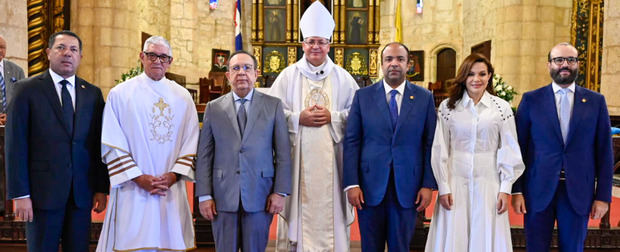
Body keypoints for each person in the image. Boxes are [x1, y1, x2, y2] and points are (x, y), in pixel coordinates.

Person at [6, 30, 108, 252]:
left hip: (80, 195)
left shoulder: (92, 94)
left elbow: (98, 144)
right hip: (41, 195)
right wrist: (20, 194)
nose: (67, 54)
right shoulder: (26, 90)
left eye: (73, 49)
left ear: (80, 56)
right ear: (48, 53)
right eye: (61, 48)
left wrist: (101, 188)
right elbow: (15, 145)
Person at [269, 2, 359, 251]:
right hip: (298, 161)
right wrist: (298, 118)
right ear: (303, 45)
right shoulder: (288, 76)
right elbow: (272, 115)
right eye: (311, 42)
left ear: (329, 45)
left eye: (321, 41)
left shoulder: (343, 78)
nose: (316, 47)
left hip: (334, 163)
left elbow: (359, 116)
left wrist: (334, 117)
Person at [96, 36, 198, 252]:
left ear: (170, 61)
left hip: (170, 187)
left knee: (169, 240)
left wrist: (173, 175)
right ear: (141, 57)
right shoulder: (120, 94)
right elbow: (112, 142)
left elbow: (191, 140)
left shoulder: (183, 97)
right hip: (133, 188)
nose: (157, 61)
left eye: (163, 57)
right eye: (152, 55)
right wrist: (138, 177)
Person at [511, 42, 614, 251]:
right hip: (537, 190)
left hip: (577, 191)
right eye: (559, 60)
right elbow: (518, 149)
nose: (564, 65)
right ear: (549, 65)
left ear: (577, 65)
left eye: (571, 60)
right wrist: (517, 190)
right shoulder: (531, 100)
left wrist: (603, 197)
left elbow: (604, 153)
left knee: (573, 248)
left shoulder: (596, 101)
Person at [424, 53, 525, 252]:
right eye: (470, 74)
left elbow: (509, 149)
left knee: (487, 234)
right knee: (454, 234)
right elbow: (440, 148)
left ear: (489, 76)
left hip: (489, 182)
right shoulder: (448, 107)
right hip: (455, 181)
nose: (476, 79)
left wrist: (505, 188)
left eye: (482, 74)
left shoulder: (501, 108)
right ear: (463, 77)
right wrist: (443, 186)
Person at [343, 42, 437, 252]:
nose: (394, 64)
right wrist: (352, 183)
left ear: (408, 64)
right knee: (370, 247)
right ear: (381, 64)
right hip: (369, 186)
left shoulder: (424, 98)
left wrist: (428, 184)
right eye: (389, 59)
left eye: (400, 59)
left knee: (400, 247)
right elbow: (352, 141)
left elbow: (430, 143)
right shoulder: (363, 96)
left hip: (408, 187)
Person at [196, 50, 292, 252]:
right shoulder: (214, 108)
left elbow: (283, 153)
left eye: (247, 68)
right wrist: (204, 195)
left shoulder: (273, 106)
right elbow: (205, 156)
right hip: (222, 195)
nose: (242, 72)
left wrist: (280, 191)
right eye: (236, 68)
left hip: (261, 194)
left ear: (256, 74)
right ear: (228, 75)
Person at [0, 34, 26, 214]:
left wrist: (11, 115)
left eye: (2, 47)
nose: (0, 51)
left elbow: (23, 97)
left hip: (9, 130)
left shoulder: (15, 70)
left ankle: (6, 209)